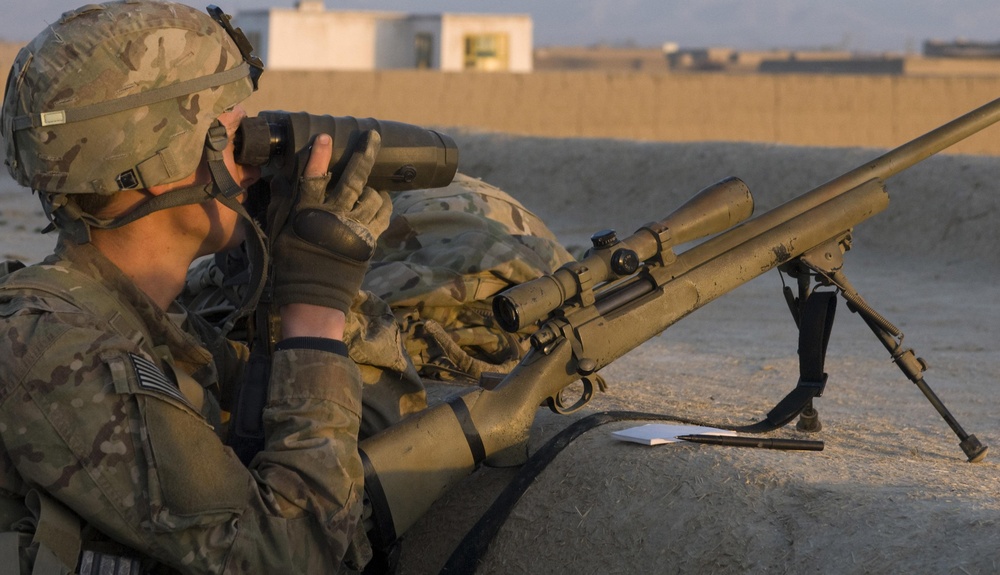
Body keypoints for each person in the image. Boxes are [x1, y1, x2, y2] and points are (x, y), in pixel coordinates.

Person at [0, 1, 389, 572]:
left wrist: (287, 266)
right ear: (161, 159)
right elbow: (290, 555)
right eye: (234, 136)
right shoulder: (52, 349)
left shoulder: (145, 322)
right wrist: (315, 316)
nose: (255, 164)